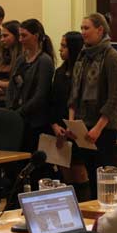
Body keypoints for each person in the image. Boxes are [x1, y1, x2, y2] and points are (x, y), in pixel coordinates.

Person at [67, 13, 117, 199]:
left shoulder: (111, 56)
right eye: (81, 28)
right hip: (84, 125)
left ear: (100, 30)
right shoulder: (83, 55)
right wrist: (71, 121)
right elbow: (75, 90)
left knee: (105, 178)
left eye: (87, 28)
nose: (83, 32)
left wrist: (98, 128)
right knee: (91, 176)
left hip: (104, 127)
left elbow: (115, 97)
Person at [50, 31, 89, 200]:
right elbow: (52, 100)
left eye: (64, 46)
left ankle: (84, 204)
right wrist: (55, 125)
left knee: (80, 172)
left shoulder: (83, 72)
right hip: (60, 127)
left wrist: (71, 125)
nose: (60, 50)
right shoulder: (59, 72)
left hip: (77, 127)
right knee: (65, 172)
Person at [6, 18, 55, 152]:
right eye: (20, 35)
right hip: (18, 118)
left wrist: (20, 112)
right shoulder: (21, 59)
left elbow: (41, 95)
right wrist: (10, 108)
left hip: (34, 121)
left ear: (36, 36)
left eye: (24, 35)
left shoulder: (45, 61)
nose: (20, 39)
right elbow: (11, 86)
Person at [0, 20, 21, 105]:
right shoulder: (1, 57)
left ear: (16, 36)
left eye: (5, 36)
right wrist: (9, 90)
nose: (2, 39)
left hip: (14, 105)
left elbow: (20, 86)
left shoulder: (23, 58)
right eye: (1, 36)